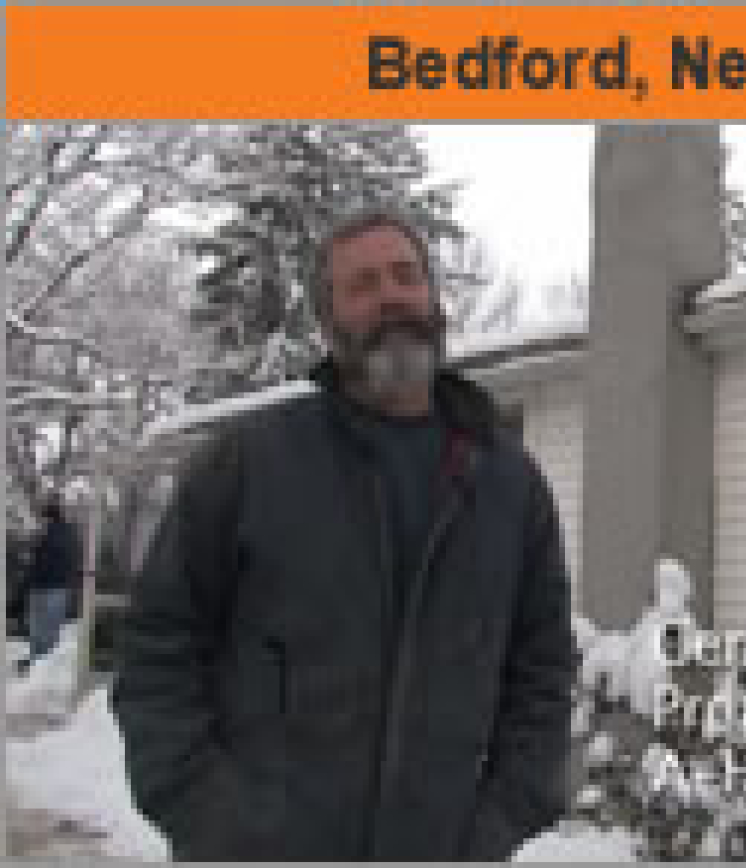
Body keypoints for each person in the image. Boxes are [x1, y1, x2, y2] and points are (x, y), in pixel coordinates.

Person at [112, 207, 579, 861]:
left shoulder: (508, 484)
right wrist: (212, 821)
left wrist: (494, 826)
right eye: (362, 285)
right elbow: (159, 648)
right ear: (329, 323)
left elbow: (544, 673)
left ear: (433, 298)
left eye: (404, 276)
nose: (390, 295)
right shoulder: (250, 465)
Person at [25, 498, 82, 664]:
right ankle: (42, 663)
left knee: (39, 625)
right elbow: (73, 559)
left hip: (43, 584)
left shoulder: (46, 534)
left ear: (48, 517)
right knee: (51, 626)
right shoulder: (69, 534)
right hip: (60, 585)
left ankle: (37, 661)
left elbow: (39, 559)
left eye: (42, 518)